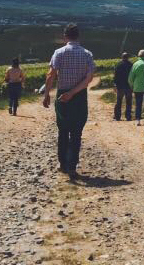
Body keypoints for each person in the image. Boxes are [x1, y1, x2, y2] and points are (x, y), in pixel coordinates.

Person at [42, 23, 95, 179]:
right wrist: (73, 92)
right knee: (77, 132)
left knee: (63, 131)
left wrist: (46, 94)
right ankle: (72, 166)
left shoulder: (59, 52)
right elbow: (89, 78)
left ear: (65, 36)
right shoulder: (87, 54)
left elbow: (50, 75)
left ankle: (63, 164)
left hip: (62, 95)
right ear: (78, 36)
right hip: (79, 96)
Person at [128, 49, 144, 125]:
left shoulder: (136, 64)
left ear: (139, 56)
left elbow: (130, 78)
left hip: (137, 88)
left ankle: (138, 120)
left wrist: (132, 86)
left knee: (138, 104)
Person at [113, 52, 133, 121]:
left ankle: (117, 116)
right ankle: (128, 116)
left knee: (119, 101)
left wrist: (115, 85)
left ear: (122, 57)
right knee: (128, 101)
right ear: (128, 57)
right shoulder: (131, 65)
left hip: (120, 86)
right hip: (128, 86)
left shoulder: (118, 65)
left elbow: (115, 76)